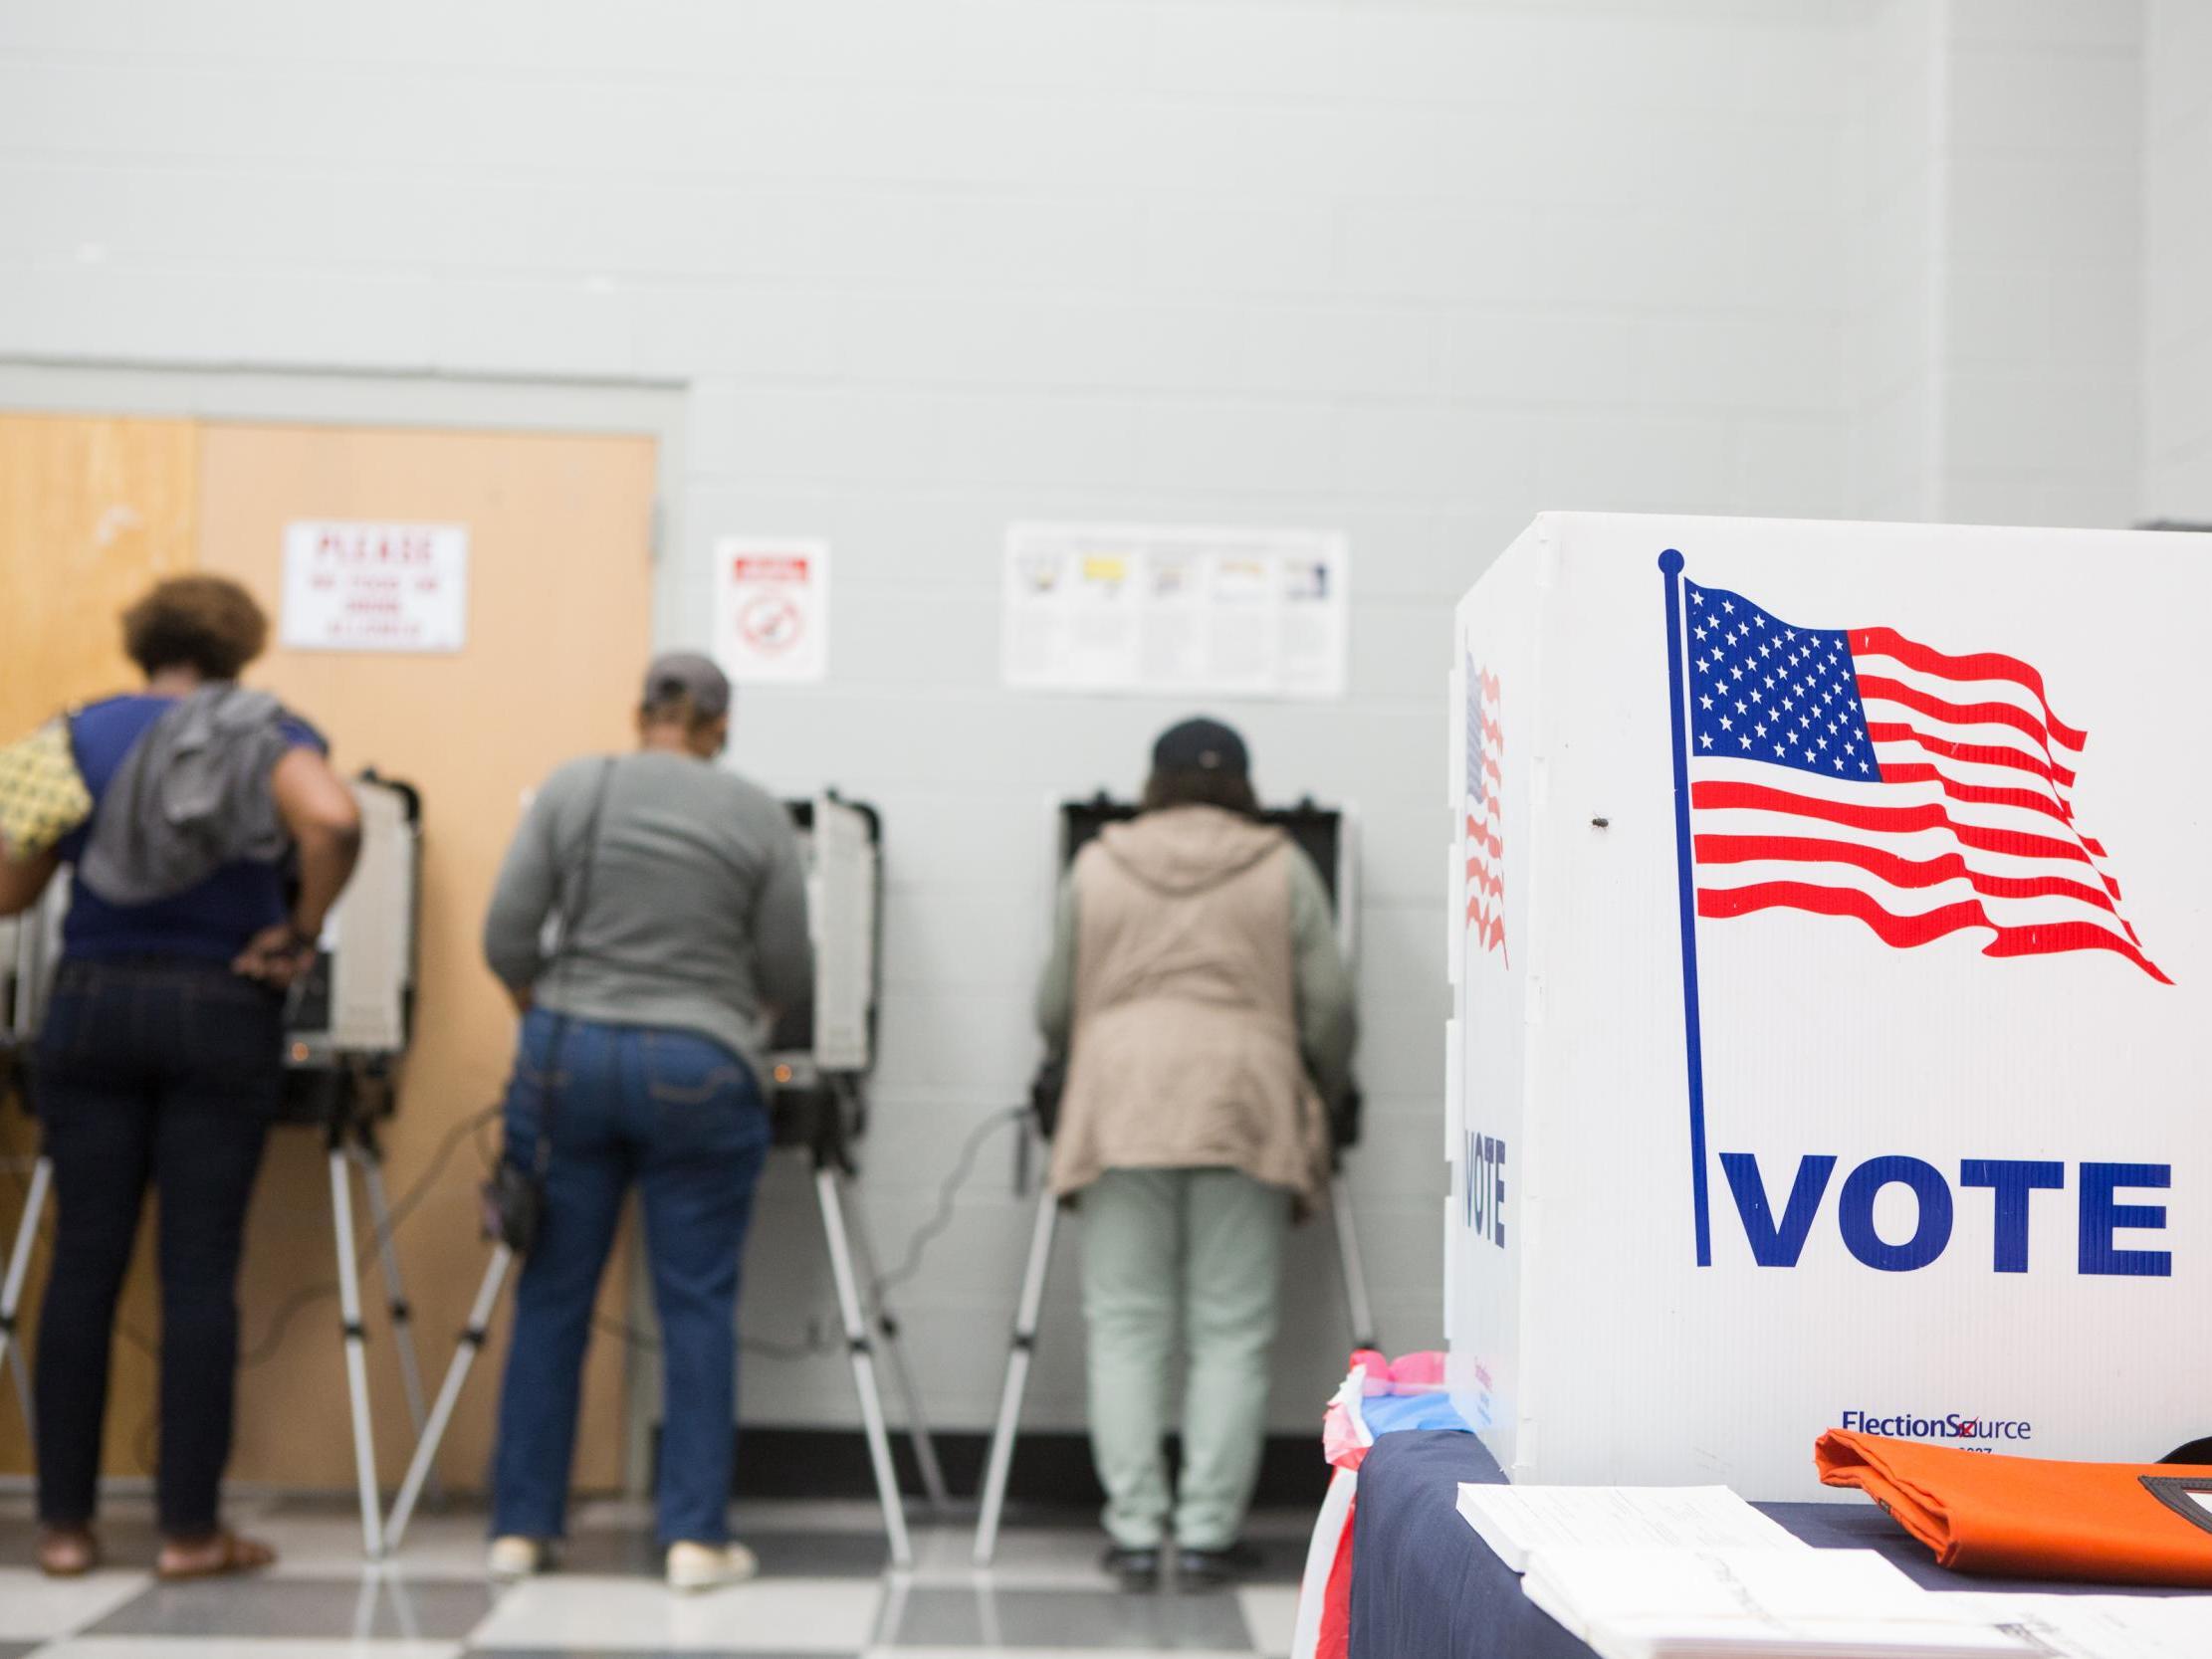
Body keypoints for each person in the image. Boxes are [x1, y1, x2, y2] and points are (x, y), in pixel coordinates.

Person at [0, 575, 361, 1580]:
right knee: (199, 1270)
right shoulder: (273, 730)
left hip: (92, 1004)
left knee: (80, 1265)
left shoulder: (74, 732)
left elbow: (7, 887)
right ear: (240, 645)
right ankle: (189, 1531)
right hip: (219, 1005)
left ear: (141, 640)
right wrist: (296, 930)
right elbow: (332, 821)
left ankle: (65, 1529)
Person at [481, 652, 811, 1593]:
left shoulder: (575, 788)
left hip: (566, 1057)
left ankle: (522, 1527)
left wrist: (551, 1022)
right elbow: (789, 971)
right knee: (696, 1303)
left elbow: (507, 936)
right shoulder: (753, 810)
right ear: (720, 724)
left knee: (552, 1293)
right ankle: (696, 1539)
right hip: (700, 1064)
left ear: (639, 713)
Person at [1035, 717, 1357, 1591]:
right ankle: (1209, 1532)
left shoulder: (1099, 861)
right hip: (1243, 1100)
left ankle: (1137, 1531)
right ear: (1244, 785)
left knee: (1126, 1324)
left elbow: (1055, 1002)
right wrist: (1328, 1087)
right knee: (1231, 1330)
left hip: (1119, 1098)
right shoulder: (1282, 863)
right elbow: (1328, 1004)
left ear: (1154, 779)